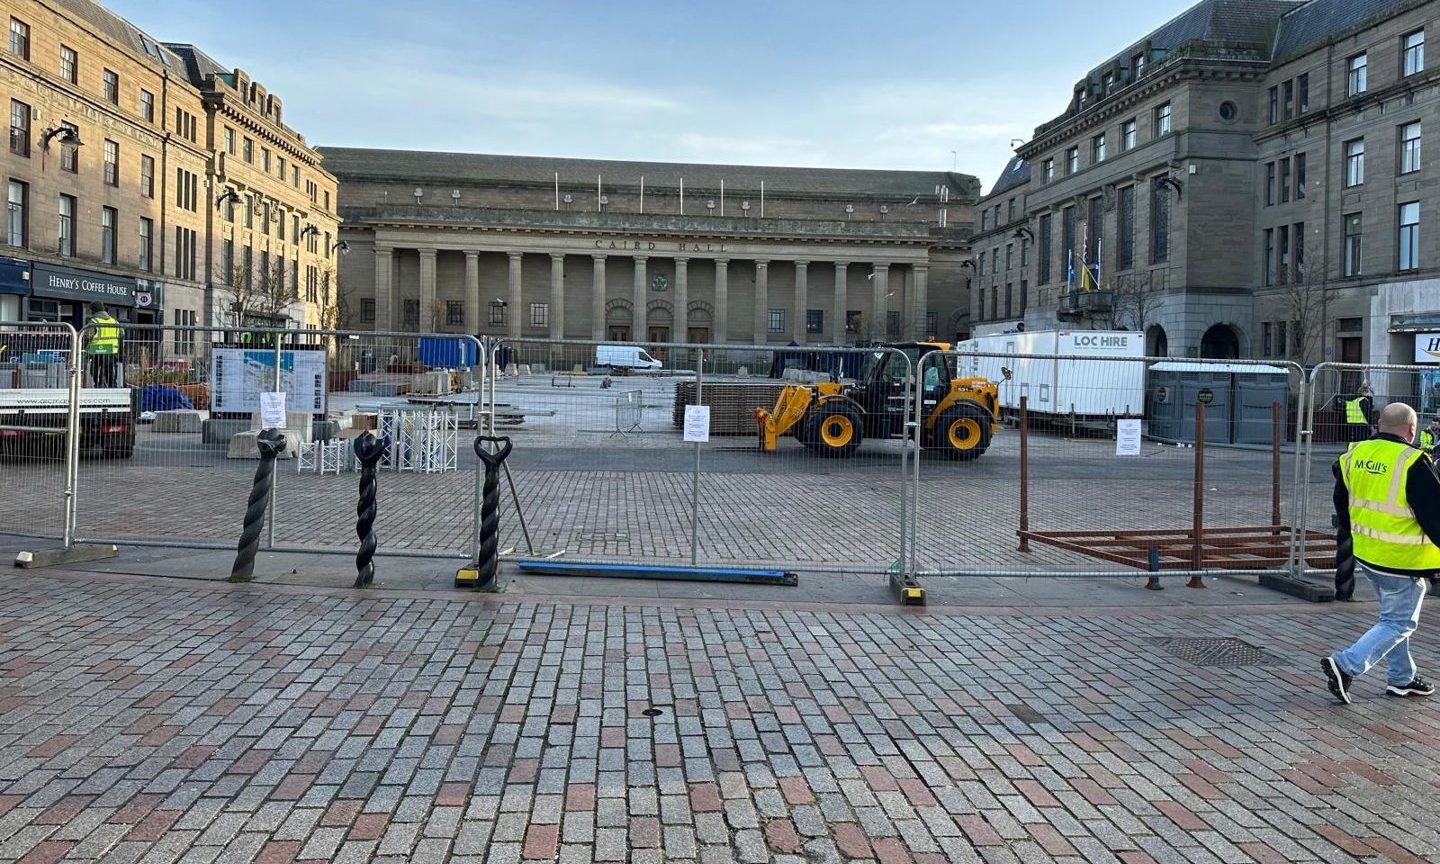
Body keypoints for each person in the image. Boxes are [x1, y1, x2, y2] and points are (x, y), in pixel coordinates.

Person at [1322, 401, 1438, 703]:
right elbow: (1435, 514)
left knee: (1392, 618)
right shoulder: (1413, 461)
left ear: (1378, 425)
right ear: (1412, 430)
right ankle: (1346, 665)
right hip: (1403, 560)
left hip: (1367, 554)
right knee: (1399, 622)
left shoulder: (1354, 454)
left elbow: (1341, 504)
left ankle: (1402, 678)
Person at [83, 301, 121, 388]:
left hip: (97, 350)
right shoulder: (114, 321)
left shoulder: (94, 321)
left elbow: (88, 335)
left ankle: (99, 385)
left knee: (96, 370)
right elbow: (121, 333)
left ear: (94, 310)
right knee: (110, 370)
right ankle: (112, 387)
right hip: (111, 350)